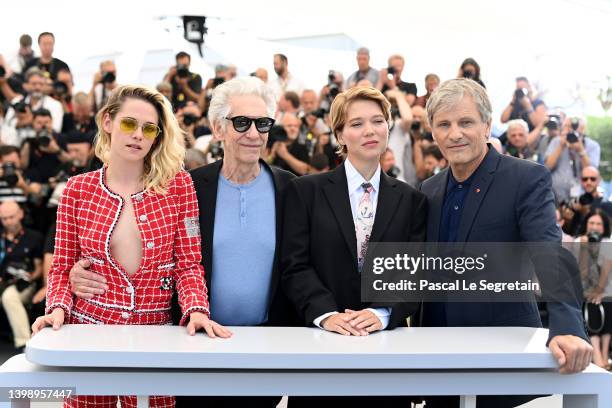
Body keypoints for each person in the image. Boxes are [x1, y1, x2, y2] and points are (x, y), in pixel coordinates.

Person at [66, 77, 299, 408]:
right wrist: (79, 273)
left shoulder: (291, 189)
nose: (253, 133)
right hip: (191, 344)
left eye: (262, 123)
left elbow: (301, 264)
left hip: (261, 348)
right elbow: (169, 258)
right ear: (217, 129)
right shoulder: (189, 186)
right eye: (242, 122)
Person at [31, 85, 230, 408]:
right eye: (129, 124)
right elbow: (61, 267)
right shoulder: (77, 190)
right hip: (88, 333)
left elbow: (189, 264)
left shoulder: (178, 186)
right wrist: (57, 308)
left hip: (156, 338)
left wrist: (196, 309)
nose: (138, 135)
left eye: (148, 128)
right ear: (107, 122)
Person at [420, 78, 592, 408]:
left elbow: (549, 253)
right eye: (444, 124)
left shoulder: (526, 178)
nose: (455, 133)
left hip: (504, 355)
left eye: (465, 122)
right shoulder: (428, 189)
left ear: (487, 125)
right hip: (438, 361)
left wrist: (568, 326)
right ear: (433, 132)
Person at [281, 86, 426, 407]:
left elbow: (414, 271)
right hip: (321, 347)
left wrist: (383, 311)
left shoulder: (412, 199)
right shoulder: (305, 192)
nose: (370, 131)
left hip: (385, 351)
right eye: (357, 123)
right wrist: (327, 314)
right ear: (340, 135)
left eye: (378, 121)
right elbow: (295, 265)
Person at [575, 209, 612, 368]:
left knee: (604, 302)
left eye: (598, 223)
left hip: (606, 291)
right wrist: (584, 249)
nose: (595, 227)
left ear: (604, 227)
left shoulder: (608, 243)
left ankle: (604, 356)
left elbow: (606, 269)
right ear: (586, 225)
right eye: (591, 223)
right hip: (584, 292)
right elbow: (581, 275)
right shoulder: (578, 242)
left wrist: (599, 291)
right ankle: (599, 357)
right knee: (592, 303)